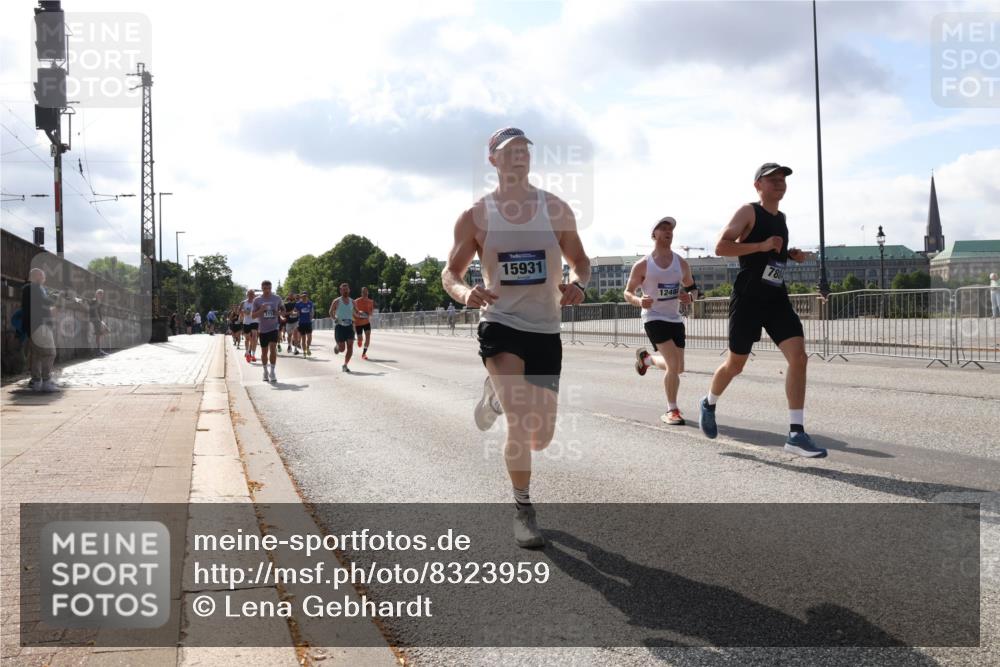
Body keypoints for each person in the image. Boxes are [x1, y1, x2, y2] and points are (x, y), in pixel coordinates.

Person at [442, 126, 590, 548]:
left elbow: (580, 260)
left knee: (541, 437)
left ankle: (494, 395)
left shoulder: (556, 208)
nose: (520, 155)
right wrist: (466, 291)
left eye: (525, 149)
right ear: (493, 160)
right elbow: (449, 273)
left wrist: (579, 282)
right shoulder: (476, 215)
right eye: (510, 151)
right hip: (500, 322)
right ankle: (523, 507)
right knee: (522, 420)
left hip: (545, 326)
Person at [699, 163, 826, 458]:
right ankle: (709, 401)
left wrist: (790, 255)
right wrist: (761, 246)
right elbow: (721, 247)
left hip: (775, 297)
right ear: (758, 185)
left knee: (799, 357)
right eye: (773, 179)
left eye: (782, 179)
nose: (780, 183)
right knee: (736, 365)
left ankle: (796, 433)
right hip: (748, 299)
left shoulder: (781, 218)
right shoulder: (748, 212)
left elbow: (774, 252)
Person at [625, 217, 697, 425]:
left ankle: (647, 360)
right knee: (673, 365)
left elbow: (694, 289)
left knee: (678, 367)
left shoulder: (680, 263)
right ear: (654, 234)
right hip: (654, 317)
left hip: (675, 319)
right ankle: (672, 410)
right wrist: (639, 300)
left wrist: (690, 297)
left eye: (671, 229)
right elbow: (627, 292)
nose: (668, 231)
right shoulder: (643, 265)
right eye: (663, 228)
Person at [21, 268, 59, 392]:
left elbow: (40, 306)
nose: (44, 278)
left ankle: (37, 382)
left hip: (35, 326)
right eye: (42, 276)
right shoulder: (33, 288)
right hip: (39, 326)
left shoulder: (35, 289)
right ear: (37, 276)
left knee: (37, 355)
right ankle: (46, 381)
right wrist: (58, 299)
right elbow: (44, 302)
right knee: (49, 353)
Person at [252, 280, 285, 383]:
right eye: (265, 289)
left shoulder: (277, 298)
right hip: (262, 329)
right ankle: (265, 371)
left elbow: (283, 311)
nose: (267, 291)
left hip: (274, 328)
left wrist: (278, 313)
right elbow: (253, 316)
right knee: (264, 352)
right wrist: (261, 310)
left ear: (271, 288)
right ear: (262, 288)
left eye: (269, 288)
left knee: (273, 348)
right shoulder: (257, 300)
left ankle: (272, 372)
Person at [329, 283, 356, 371]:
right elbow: (330, 312)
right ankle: (337, 346)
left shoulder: (353, 301)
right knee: (341, 349)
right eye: (343, 290)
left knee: (350, 346)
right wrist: (334, 318)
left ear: (349, 290)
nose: (345, 291)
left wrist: (361, 314)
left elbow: (356, 312)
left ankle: (345, 365)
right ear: (340, 291)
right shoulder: (336, 301)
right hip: (339, 326)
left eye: (346, 289)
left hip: (349, 326)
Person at [353, 287, 374, 360]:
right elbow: (353, 312)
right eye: (363, 293)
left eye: (366, 292)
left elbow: (371, 312)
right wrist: (359, 315)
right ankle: (359, 340)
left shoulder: (370, 301)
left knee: (368, 337)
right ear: (361, 293)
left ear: (368, 293)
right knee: (360, 339)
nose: (365, 294)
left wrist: (368, 314)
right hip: (358, 323)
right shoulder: (356, 301)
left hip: (366, 322)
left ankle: (364, 354)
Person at [89, 289, 110, 356]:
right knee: (101, 333)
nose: (101, 295)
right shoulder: (94, 300)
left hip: (98, 319)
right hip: (95, 319)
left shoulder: (99, 301)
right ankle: (98, 350)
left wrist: (101, 320)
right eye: (99, 293)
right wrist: (100, 321)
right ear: (96, 294)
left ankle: (99, 349)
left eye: (101, 294)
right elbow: (93, 310)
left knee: (103, 332)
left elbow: (98, 311)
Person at [240, 289, 259, 362]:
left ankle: (253, 355)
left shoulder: (256, 302)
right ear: (247, 295)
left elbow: (260, 311)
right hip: (246, 322)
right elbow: (240, 311)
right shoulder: (243, 303)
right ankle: (247, 353)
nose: (251, 295)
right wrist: (244, 312)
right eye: (249, 294)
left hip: (255, 321)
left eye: (252, 294)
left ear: (254, 295)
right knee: (247, 339)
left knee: (254, 337)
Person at [295, 291, 315, 357]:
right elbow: (295, 311)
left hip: (308, 322)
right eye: (303, 296)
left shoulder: (310, 303)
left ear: (307, 297)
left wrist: (312, 315)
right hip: (301, 323)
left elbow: (312, 310)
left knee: (309, 337)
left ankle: (308, 347)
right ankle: (304, 352)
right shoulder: (298, 304)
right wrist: (296, 313)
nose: (304, 297)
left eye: (305, 296)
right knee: (303, 338)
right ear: (301, 297)